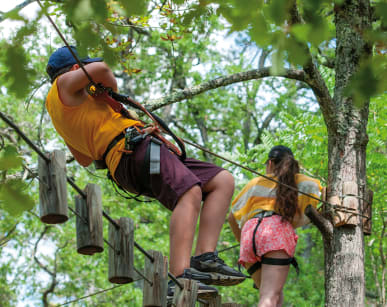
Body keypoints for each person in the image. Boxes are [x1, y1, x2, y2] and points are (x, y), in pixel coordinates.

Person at [45, 46, 245, 298]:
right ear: (75, 69)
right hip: (132, 152)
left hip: (130, 158)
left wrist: (100, 105)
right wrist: (109, 92)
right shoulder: (62, 85)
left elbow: (84, 158)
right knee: (189, 193)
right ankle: (179, 277)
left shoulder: (63, 112)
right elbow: (102, 70)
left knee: (221, 181)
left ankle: (205, 257)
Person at [228, 145, 322, 307]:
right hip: (275, 233)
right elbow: (321, 193)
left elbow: (231, 217)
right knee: (269, 297)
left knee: (275, 297)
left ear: (270, 163)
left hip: (249, 235)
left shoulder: (255, 183)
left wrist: (242, 241)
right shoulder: (300, 182)